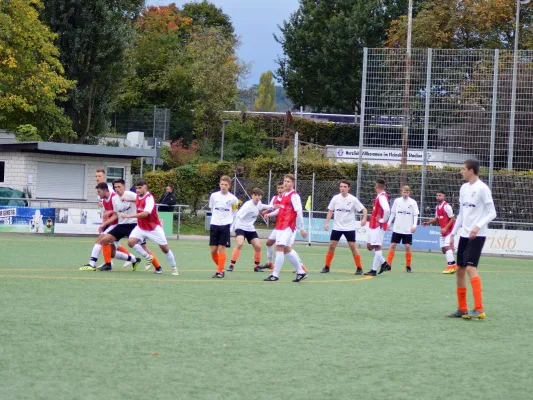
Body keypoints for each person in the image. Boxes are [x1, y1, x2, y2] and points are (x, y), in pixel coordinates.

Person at [446, 159, 496, 320]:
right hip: (464, 235)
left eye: (463, 169)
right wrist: (453, 234)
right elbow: (461, 214)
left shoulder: (482, 188)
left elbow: (492, 212)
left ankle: (479, 308)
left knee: (470, 269)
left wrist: (477, 226)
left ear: (471, 171)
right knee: (459, 270)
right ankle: (462, 309)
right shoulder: (463, 188)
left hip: (478, 235)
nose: (461, 171)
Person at [94, 179, 163, 273]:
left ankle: (158, 267)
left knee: (144, 248)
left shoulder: (131, 195)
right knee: (105, 240)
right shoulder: (114, 199)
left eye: (119, 187)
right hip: (122, 225)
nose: (117, 189)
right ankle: (108, 265)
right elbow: (116, 214)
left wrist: (156, 220)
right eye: (115, 187)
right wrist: (104, 224)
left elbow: (143, 202)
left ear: (124, 187)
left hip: (134, 225)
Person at [122, 179, 179, 276]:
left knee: (165, 249)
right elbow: (137, 200)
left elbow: (145, 214)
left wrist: (129, 216)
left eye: (140, 188)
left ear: (145, 187)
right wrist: (128, 200)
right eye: (136, 188)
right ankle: (148, 257)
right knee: (131, 242)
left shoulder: (149, 198)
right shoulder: (138, 196)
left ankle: (174, 268)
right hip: (141, 227)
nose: (138, 190)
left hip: (153, 228)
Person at [79, 183, 137, 271]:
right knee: (112, 253)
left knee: (100, 240)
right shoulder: (104, 200)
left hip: (118, 225)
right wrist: (104, 224)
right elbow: (109, 214)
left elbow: (116, 214)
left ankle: (92, 264)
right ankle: (134, 260)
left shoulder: (114, 197)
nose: (98, 194)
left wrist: (105, 223)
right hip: (113, 225)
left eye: (99, 192)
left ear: (106, 190)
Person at [264, 174, 308, 282]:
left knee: (279, 248)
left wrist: (302, 228)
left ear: (293, 183)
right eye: (285, 181)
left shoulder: (294, 196)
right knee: (287, 250)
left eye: (288, 181)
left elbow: (299, 212)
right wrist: (270, 214)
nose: (286, 183)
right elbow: (281, 210)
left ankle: (275, 274)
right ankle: (301, 272)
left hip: (287, 226)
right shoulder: (284, 195)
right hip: (280, 226)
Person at [321, 179, 367, 275]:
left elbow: (364, 209)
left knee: (352, 246)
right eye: (341, 186)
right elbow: (330, 210)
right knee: (332, 245)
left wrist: (364, 219)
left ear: (348, 188)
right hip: (337, 227)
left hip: (349, 228)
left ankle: (359, 268)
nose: (342, 188)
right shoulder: (335, 198)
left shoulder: (353, 199)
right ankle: (326, 266)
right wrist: (327, 223)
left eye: (345, 187)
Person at [226, 188, 272, 272]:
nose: (257, 197)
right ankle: (231, 265)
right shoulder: (247, 206)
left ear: (261, 197)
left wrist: (273, 207)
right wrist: (231, 228)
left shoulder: (259, 204)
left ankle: (256, 266)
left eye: (259, 195)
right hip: (240, 227)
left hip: (250, 228)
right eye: (255, 195)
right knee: (239, 243)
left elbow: (264, 206)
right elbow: (238, 216)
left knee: (258, 246)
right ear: (252, 196)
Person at [209, 176, 239, 278]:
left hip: (225, 225)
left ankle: (220, 272)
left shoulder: (233, 199)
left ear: (229, 186)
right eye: (222, 184)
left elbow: (235, 213)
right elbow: (212, 209)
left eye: (226, 185)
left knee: (221, 247)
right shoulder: (213, 196)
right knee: (213, 250)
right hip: (214, 225)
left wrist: (231, 227)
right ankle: (221, 269)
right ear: (219, 184)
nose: (223, 186)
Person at [386, 186, 419, 273]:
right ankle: (388, 264)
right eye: (404, 192)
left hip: (407, 229)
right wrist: (388, 223)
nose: (405, 194)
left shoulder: (413, 202)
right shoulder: (397, 201)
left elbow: (415, 215)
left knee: (407, 246)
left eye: (407, 192)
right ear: (401, 192)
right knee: (393, 245)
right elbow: (393, 213)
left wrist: (414, 225)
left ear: (409, 193)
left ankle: (408, 266)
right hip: (397, 228)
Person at [423, 190, 457, 274]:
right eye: (437, 195)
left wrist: (445, 228)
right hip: (443, 231)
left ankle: (451, 266)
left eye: (440, 195)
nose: (438, 197)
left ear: (444, 197)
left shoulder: (447, 207)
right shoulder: (437, 207)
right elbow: (437, 218)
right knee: (443, 249)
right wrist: (428, 223)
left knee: (446, 246)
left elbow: (452, 219)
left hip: (449, 230)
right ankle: (453, 265)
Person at [364, 179, 391, 276]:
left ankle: (374, 270)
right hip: (373, 225)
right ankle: (384, 263)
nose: (375, 188)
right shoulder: (380, 196)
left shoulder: (382, 197)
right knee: (369, 246)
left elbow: (387, 210)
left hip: (378, 226)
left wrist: (383, 220)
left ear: (377, 187)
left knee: (377, 246)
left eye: (375, 187)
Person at [260, 181, 285, 270]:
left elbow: (277, 211)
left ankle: (301, 266)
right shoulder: (274, 198)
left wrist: (269, 214)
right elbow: (270, 208)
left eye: (282, 188)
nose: (280, 190)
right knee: (269, 243)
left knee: (286, 249)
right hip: (278, 226)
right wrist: (263, 212)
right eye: (278, 188)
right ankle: (270, 263)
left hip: (287, 227)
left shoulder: (287, 199)